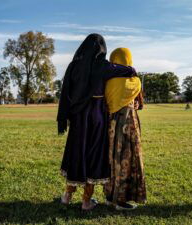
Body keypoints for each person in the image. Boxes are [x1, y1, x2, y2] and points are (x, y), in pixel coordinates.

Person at [57, 34, 137, 211]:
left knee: (76, 153)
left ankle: (67, 196)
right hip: (97, 116)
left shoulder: (73, 66)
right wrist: (132, 72)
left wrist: (64, 116)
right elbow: (127, 70)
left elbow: (65, 93)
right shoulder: (103, 66)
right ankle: (86, 201)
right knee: (93, 155)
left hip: (78, 115)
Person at [103, 47, 147, 210]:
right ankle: (120, 200)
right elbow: (140, 104)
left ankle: (110, 195)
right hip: (129, 123)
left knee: (111, 159)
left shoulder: (107, 80)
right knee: (127, 160)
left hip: (110, 124)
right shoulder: (135, 80)